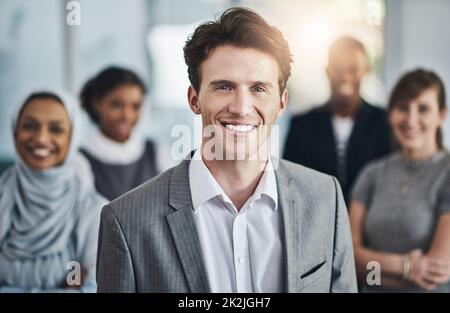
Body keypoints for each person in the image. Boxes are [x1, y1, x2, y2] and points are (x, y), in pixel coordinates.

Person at [96, 7, 357, 293]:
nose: (241, 108)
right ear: (194, 99)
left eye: (258, 88)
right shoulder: (126, 221)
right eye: (223, 87)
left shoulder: (325, 200)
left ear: (281, 103)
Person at [350, 69, 450, 292]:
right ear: (391, 114)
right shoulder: (372, 173)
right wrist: (406, 266)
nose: (411, 119)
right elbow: (348, 257)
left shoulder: (446, 174)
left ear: (441, 116)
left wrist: (371, 269)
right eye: (403, 107)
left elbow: (433, 277)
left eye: (423, 108)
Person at [0, 89, 106, 292]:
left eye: (56, 129)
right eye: (29, 126)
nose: (41, 138)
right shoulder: (3, 197)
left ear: (72, 137)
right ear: (15, 131)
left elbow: (95, 288)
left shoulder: (94, 210)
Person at [284, 36, 392, 204]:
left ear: (366, 70)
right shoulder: (302, 125)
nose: (345, 76)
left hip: (369, 226)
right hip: (316, 223)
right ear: (328, 71)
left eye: (353, 68)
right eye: (338, 68)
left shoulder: (385, 122)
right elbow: (289, 183)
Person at [79, 66, 158, 200]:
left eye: (135, 106)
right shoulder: (80, 162)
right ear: (96, 103)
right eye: (116, 105)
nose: (126, 116)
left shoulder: (156, 152)